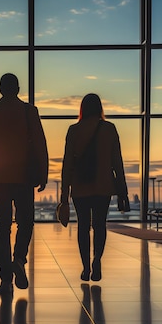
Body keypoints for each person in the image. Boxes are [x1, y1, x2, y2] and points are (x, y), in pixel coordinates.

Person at [0, 73, 48, 295]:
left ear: (1, 89)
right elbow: (40, 144)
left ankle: (5, 275)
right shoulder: (28, 111)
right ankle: (19, 259)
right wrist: (42, 174)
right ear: (18, 88)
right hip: (24, 177)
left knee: (1, 227)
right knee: (26, 222)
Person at [60, 93, 130, 282]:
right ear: (100, 108)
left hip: (80, 187)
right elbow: (117, 161)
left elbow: (67, 164)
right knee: (100, 225)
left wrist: (64, 194)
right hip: (103, 186)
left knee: (83, 226)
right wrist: (122, 189)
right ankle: (97, 259)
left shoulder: (74, 130)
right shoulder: (109, 129)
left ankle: (85, 267)